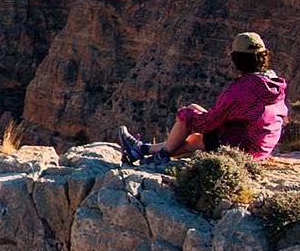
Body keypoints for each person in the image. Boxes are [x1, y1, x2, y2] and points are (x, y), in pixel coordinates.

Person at [118, 32, 288, 166]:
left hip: (244, 147)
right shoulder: (274, 83)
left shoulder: (240, 90)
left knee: (188, 117)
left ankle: (160, 155)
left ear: (237, 59)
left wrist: (185, 115)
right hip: (262, 144)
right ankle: (141, 150)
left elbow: (207, 123)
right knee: (196, 135)